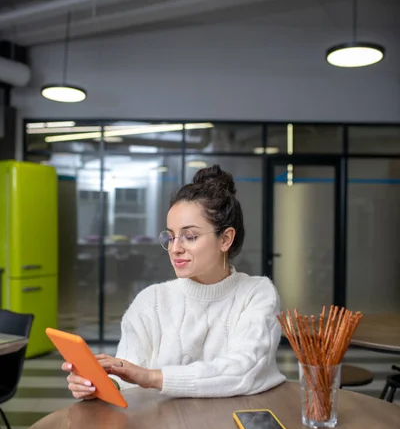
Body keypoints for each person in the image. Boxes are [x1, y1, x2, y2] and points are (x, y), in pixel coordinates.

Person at [63, 165, 285, 399]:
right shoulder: (151, 301)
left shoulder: (256, 293)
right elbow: (127, 375)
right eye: (170, 236)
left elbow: (245, 370)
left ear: (226, 239)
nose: (175, 248)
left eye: (190, 236)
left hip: (235, 428)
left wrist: (152, 377)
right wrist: (102, 386)